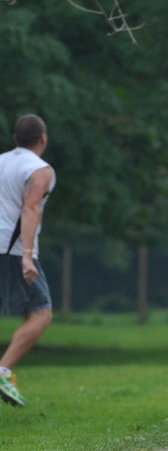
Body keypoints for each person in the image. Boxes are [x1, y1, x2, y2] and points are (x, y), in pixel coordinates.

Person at [0, 114, 56, 407]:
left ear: (15, 139)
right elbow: (31, 209)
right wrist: (28, 257)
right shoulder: (40, 169)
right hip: (11, 248)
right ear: (43, 139)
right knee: (41, 313)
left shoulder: (2, 161)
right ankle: (3, 371)